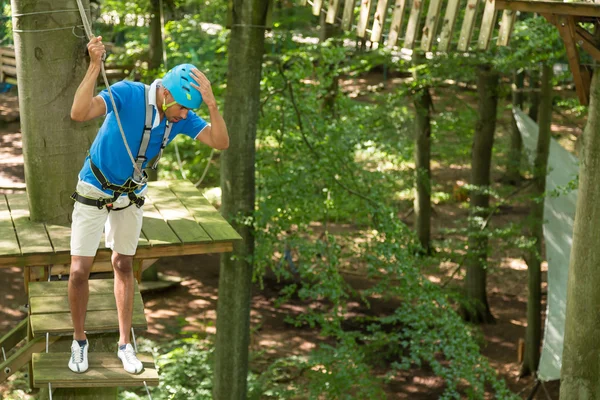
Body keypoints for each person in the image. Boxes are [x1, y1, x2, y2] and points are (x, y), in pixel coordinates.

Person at [67, 36, 229, 374]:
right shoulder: (128, 93)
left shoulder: (180, 117)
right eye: (184, 108)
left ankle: (125, 343)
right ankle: (79, 341)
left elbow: (220, 142)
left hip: (129, 195)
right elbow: (79, 112)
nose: (185, 116)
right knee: (79, 271)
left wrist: (212, 104)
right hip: (95, 187)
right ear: (167, 94)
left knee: (123, 264)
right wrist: (95, 66)